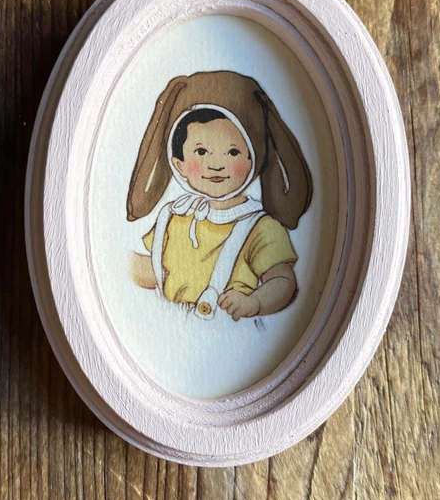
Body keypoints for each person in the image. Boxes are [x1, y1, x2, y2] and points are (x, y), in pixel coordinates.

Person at [127, 70, 313, 321]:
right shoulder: (174, 216)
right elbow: (156, 270)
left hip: (230, 329)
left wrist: (255, 302)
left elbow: (282, 279)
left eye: (233, 152)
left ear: (254, 158)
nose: (216, 165)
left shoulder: (260, 227)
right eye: (201, 151)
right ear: (178, 163)